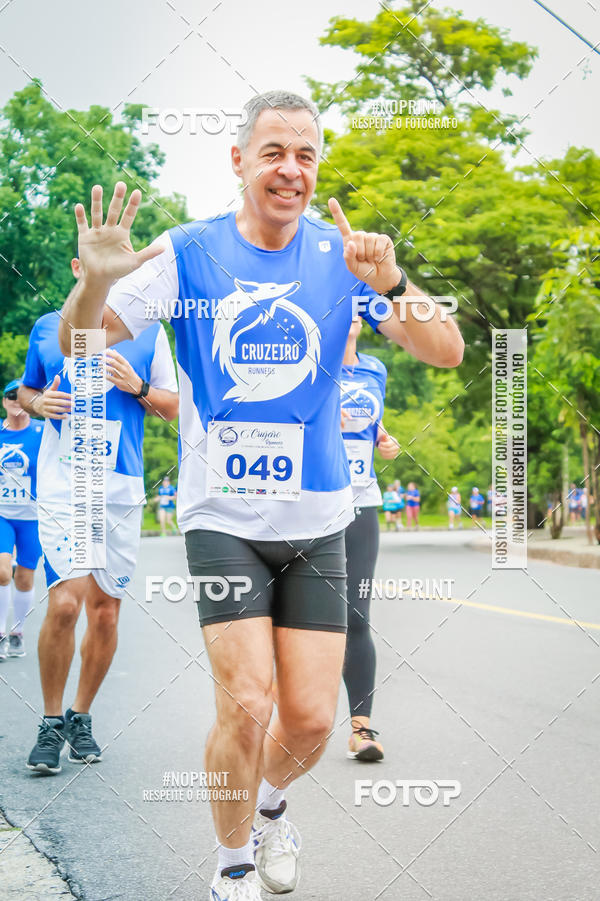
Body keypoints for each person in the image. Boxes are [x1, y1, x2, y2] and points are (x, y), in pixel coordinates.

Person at [57, 90, 464, 900]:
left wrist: (392, 281)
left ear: (317, 169)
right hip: (222, 518)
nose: (291, 168)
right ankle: (231, 865)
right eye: (274, 151)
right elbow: (82, 341)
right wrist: (95, 287)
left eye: (306, 155)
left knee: (311, 719)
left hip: (319, 519)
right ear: (239, 160)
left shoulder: (343, 255)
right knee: (247, 701)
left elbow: (445, 349)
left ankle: (271, 806)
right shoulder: (188, 251)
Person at [18, 257, 178, 775]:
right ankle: (48, 722)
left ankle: (80, 715)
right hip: (66, 481)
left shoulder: (150, 333)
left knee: (105, 611)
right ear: (77, 267)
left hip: (121, 484)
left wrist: (136, 386)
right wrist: (39, 404)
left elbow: (171, 407)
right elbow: (24, 390)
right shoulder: (51, 327)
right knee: (65, 603)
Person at [340, 317, 398, 761]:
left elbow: (373, 425)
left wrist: (384, 439)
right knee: (298, 619)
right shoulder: (305, 365)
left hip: (363, 503)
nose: (353, 311)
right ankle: (289, 721)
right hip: (312, 506)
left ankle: (362, 730)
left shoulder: (375, 370)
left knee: (357, 617)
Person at [0, 379, 43, 661]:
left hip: (33, 517)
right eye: (10, 395)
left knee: (25, 579)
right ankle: (1, 633)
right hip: (3, 514)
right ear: (4, 401)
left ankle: (17, 632)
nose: (16, 399)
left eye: (23, 395)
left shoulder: (42, 433)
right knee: (3, 572)